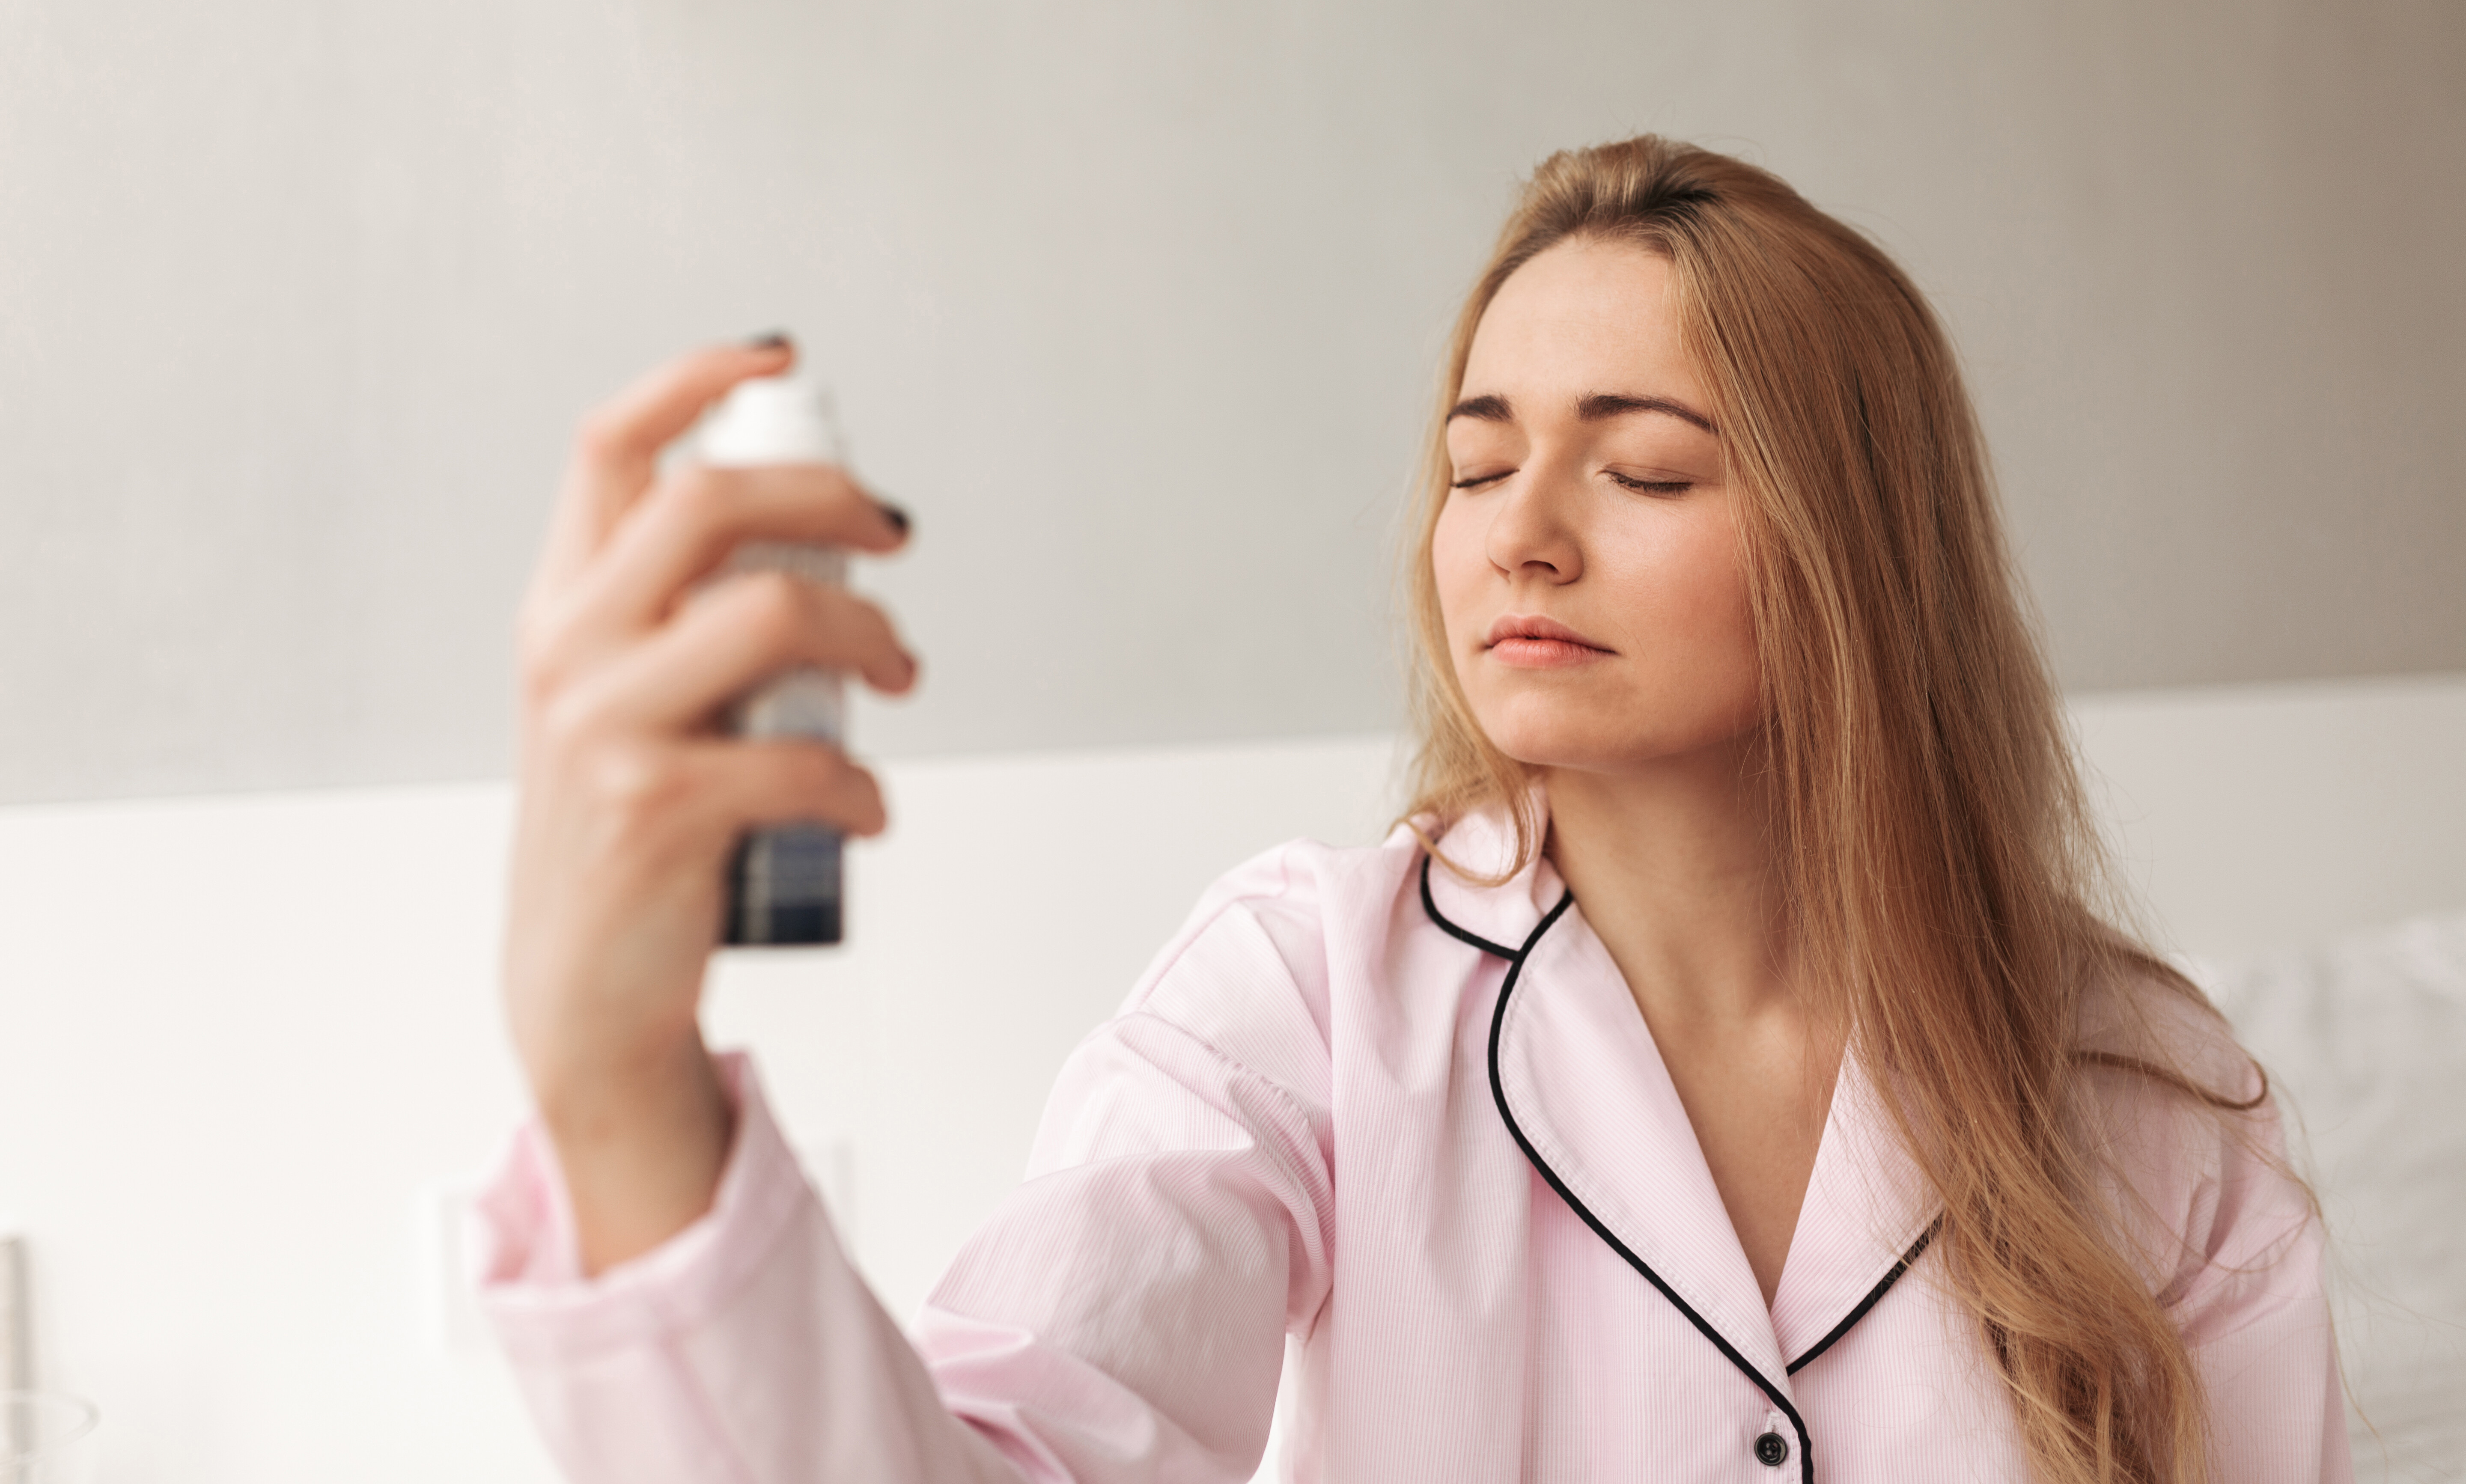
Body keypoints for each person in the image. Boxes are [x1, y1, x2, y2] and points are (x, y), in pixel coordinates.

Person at [475, 137, 2348, 1483]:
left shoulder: (2148, 1100)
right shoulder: (1304, 997)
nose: (1521, 532)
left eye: (1644, 468)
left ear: (1859, 553)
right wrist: (618, 1085)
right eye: (1476, 462)